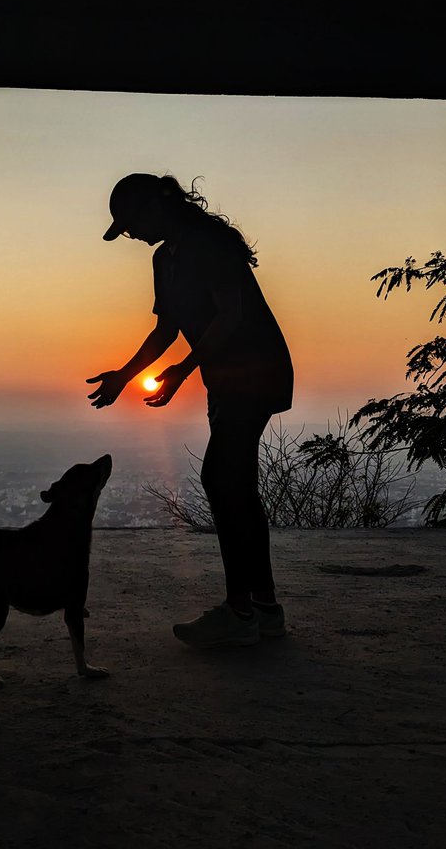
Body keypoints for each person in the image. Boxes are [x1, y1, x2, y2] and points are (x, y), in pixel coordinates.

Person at [86, 172, 294, 649]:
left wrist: (182, 370)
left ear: (154, 210)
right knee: (235, 486)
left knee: (223, 481)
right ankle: (263, 609)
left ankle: (242, 612)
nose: (131, 236)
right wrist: (124, 374)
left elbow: (232, 314)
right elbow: (166, 330)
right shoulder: (167, 259)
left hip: (255, 372)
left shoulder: (209, 243)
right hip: (224, 378)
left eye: (130, 224)